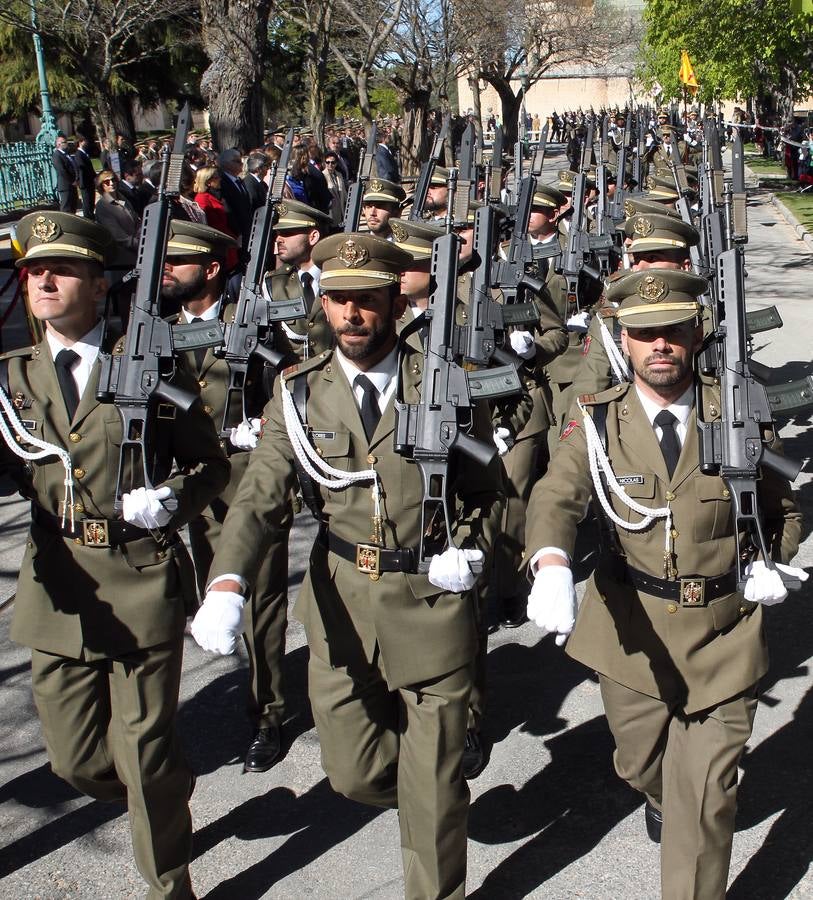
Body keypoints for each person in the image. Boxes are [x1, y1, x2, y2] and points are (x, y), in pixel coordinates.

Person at [192, 232, 504, 899]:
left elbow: (488, 490)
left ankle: (434, 834)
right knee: (355, 775)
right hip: (343, 605)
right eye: (338, 301)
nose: (352, 315)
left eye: (365, 300)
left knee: (433, 789)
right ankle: (423, 791)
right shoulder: (298, 394)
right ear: (323, 305)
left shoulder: (445, 385)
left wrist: (471, 547)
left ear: (394, 300)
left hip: (432, 601)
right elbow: (257, 497)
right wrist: (227, 580)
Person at [523, 268, 803, 900]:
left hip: (724, 632)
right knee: (640, 763)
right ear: (623, 340)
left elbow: (783, 509)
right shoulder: (596, 421)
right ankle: (658, 791)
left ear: (695, 333)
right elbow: (556, 496)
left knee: (702, 803)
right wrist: (551, 564)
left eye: (672, 331)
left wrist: (768, 558)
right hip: (631, 631)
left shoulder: (737, 413)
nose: (660, 345)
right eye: (645, 333)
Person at [0, 212, 230, 899]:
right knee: (76, 761)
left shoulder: (155, 370)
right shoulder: (12, 379)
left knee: (143, 749)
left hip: (139, 577)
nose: (43, 279)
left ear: (99, 286)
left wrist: (172, 501)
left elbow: (210, 466)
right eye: (34, 269)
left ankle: (168, 885)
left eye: (62, 268)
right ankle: (154, 782)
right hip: (59, 584)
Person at [161, 219, 289, 772]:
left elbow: (292, 383)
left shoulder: (251, 325)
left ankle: (268, 714)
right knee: (208, 591)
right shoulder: (156, 332)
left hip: (248, 480)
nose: (167, 270)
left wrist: (259, 423)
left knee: (260, 600)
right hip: (192, 486)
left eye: (179, 262)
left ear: (211, 270)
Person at [268, 200, 334, 361]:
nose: (279, 239)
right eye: (278, 234)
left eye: (288, 233)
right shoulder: (272, 283)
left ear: (313, 237)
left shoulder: (336, 278)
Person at [192, 166, 239, 272]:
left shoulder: (211, 196)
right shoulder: (202, 199)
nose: (220, 180)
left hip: (226, 242)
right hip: (219, 243)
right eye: (217, 177)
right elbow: (211, 224)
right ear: (208, 181)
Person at [94, 169, 140, 268]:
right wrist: (142, 244)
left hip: (136, 252)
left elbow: (136, 220)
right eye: (106, 182)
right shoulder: (102, 206)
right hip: (121, 260)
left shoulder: (123, 198)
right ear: (101, 186)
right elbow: (119, 238)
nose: (111, 183)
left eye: (113, 180)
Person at [52, 135, 78, 213]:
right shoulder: (57, 155)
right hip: (65, 185)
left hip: (72, 185)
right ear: (58, 144)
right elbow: (62, 171)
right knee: (66, 207)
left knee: (73, 206)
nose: (66, 143)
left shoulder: (66, 154)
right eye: (64, 142)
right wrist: (71, 181)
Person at [73, 136, 97, 220]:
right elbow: (83, 168)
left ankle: (91, 216)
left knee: (91, 201)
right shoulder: (78, 154)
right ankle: (88, 218)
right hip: (85, 182)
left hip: (89, 182)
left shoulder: (84, 153)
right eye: (84, 141)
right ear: (80, 142)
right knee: (87, 202)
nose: (86, 143)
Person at [322, 150, 348, 227]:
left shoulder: (339, 175)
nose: (330, 164)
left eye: (333, 162)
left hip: (341, 211)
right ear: (324, 163)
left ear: (336, 163)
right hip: (331, 213)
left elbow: (344, 192)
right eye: (328, 162)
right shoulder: (322, 175)